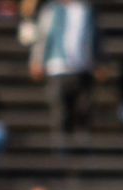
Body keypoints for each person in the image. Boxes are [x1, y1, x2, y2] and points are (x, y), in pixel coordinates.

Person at [29, 0, 101, 146]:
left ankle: (82, 153)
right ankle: (61, 154)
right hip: (58, 68)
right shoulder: (52, 9)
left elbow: (95, 37)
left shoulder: (87, 10)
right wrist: (37, 59)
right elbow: (42, 35)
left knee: (84, 113)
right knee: (60, 115)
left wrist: (99, 61)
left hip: (83, 69)